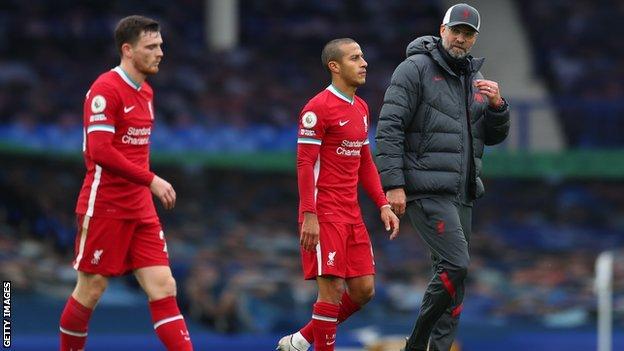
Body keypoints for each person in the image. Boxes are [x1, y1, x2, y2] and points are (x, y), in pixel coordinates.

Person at [374, 4, 510, 351]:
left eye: (468, 34)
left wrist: (498, 108)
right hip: (426, 188)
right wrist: (393, 184)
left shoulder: (474, 79)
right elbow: (389, 128)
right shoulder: (414, 69)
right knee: (456, 264)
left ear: (475, 38)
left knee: (453, 281)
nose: (461, 39)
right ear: (442, 29)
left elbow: (490, 136)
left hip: (461, 191)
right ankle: (416, 345)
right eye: (456, 31)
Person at [58, 15, 193, 351]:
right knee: (92, 288)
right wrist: (152, 180)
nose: (160, 52)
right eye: (151, 47)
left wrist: (145, 186)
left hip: (140, 209)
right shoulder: (105, 89)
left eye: (160, 45)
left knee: (164, 285)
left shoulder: (146, 91)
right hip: (105, 204)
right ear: (128, 50)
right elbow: (100, 150)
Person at [277, 38, 400, 351]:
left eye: (362, 56)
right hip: (324, 212)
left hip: (351, 213)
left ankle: (302, 339)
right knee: (330, 294)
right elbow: (305, 164)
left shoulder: (360, 107)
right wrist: (309, 215)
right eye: (354, 58)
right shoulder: (317, 109)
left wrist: (382, 203)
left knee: (363, 290)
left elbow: (364, 161)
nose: (364, 63)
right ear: (335, 66)